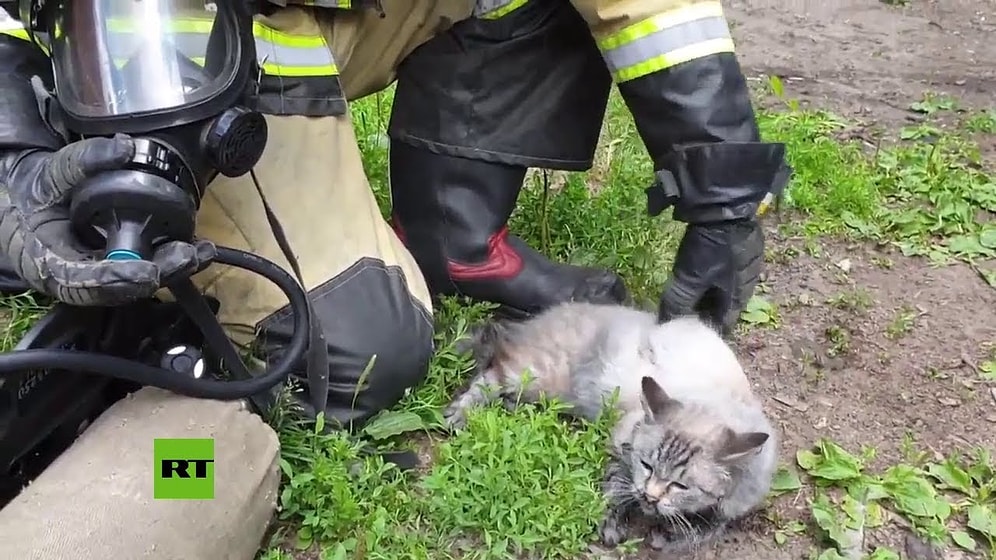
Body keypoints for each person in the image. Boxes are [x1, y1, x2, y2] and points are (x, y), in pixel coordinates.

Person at [0, 1, 788, 557]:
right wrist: (15, 155)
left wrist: (724, 192)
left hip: (321, 20)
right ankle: (174, 377)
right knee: (356, 354)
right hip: (153, 56)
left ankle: (456, 236)